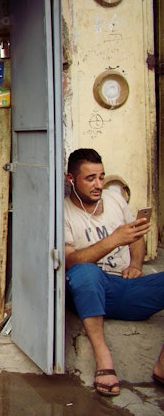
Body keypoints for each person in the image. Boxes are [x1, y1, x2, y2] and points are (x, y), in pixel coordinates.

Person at [64, 148, 164, 397]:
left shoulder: (115, 199)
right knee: (84, 272)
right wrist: (113, 240)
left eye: (101, 177)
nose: (98, 185)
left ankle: (162, 365)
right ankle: (104, 360)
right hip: (92, 291)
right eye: (90, 178)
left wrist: (136, 265)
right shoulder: (62, 212)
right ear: (71, 179)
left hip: (127, 287)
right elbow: (69, 262)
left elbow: (135, 237)